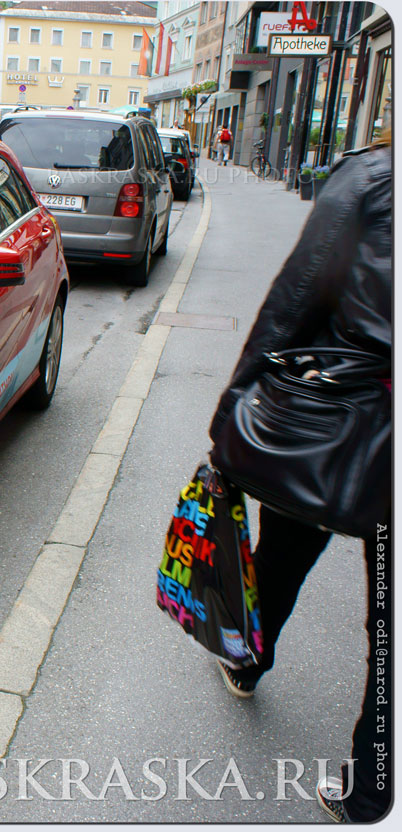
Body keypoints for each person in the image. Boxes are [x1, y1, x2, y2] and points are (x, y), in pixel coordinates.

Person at [207, 133, 392, 823]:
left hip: (340, 419)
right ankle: (374, 789)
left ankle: (247, 662)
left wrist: (235, 401)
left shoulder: (375, 178)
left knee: (283, 554)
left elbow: (298, 295)